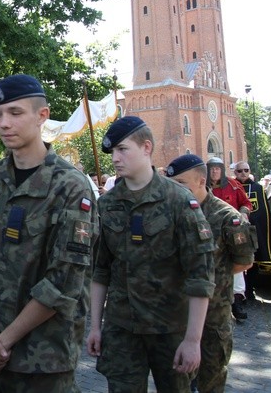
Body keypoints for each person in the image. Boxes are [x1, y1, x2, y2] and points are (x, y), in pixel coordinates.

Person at [0, 74, 97, 391]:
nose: (4, 123)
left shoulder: (70, 186)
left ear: (42, 116)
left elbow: (63, 281)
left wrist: (4, 340)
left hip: (43, 358)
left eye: (15, 112)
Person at [87, 117, 215, 393]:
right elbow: (100, 270)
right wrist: (96, 326)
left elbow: (200, 274)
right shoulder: (107, 205)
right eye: (113, 153)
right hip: (122, 328)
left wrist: (193, 340)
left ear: (146, 147)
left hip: (170, 329)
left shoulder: (179, 200)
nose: (116, 159)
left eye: (123, 149)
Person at [167, 154, 256, 392]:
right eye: (172, 184)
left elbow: (244, 262)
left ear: (201, 180)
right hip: (177, 315)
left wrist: (210, 279)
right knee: (177, 381)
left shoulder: (228, 218)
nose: (175, 190)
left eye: (181, 184)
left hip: (214, 316)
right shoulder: (170, 215)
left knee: (212, 380)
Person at [206, 156, 253, 321]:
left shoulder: (233, 185)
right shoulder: (201, 186)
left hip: (232, 232)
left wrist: (242, 213)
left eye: (218, 168)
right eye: (212, 168)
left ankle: (237, 302)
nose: (215, 171)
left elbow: (247, 203)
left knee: (236, 264)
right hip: (210, 233)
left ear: (222, 169)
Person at [233, 161, 271, 298]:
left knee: (253, 260)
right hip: (236, 230)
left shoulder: (258, 188)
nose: (243, 173)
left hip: (253, 230)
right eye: (240, 170)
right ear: (235, 172)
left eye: (246, 170)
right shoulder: (231, 187)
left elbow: (263, 213)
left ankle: (250, 289)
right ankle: (238, 292)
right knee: (238, 259)